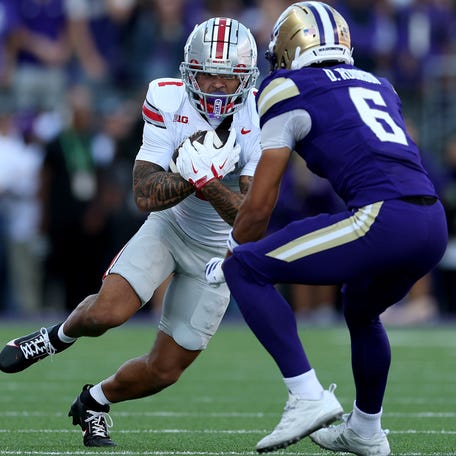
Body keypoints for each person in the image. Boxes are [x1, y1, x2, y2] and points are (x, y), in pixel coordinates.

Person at [0, 17, 260, 448]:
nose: (215, 86)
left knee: (164, 371)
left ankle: (94, 402)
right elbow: (143, 193)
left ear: (246, 78)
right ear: (188, 71)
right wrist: (192, 178)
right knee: (106, 314)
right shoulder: (166, 96)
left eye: (226, 76)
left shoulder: (263, 114)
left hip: (218, 254)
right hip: (171, 226)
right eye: (206, 74)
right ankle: (55, 337)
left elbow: (248, 223)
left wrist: (207, 181)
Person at [205, 2, 448, 454]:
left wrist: (234, 249)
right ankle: (366, 431)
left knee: (245, 268)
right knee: (360, 306)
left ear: (289, 45)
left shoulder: (285, 87)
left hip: (384, 216)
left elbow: (261, 202)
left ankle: (306, 396)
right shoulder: (381, 84)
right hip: (431, 220)